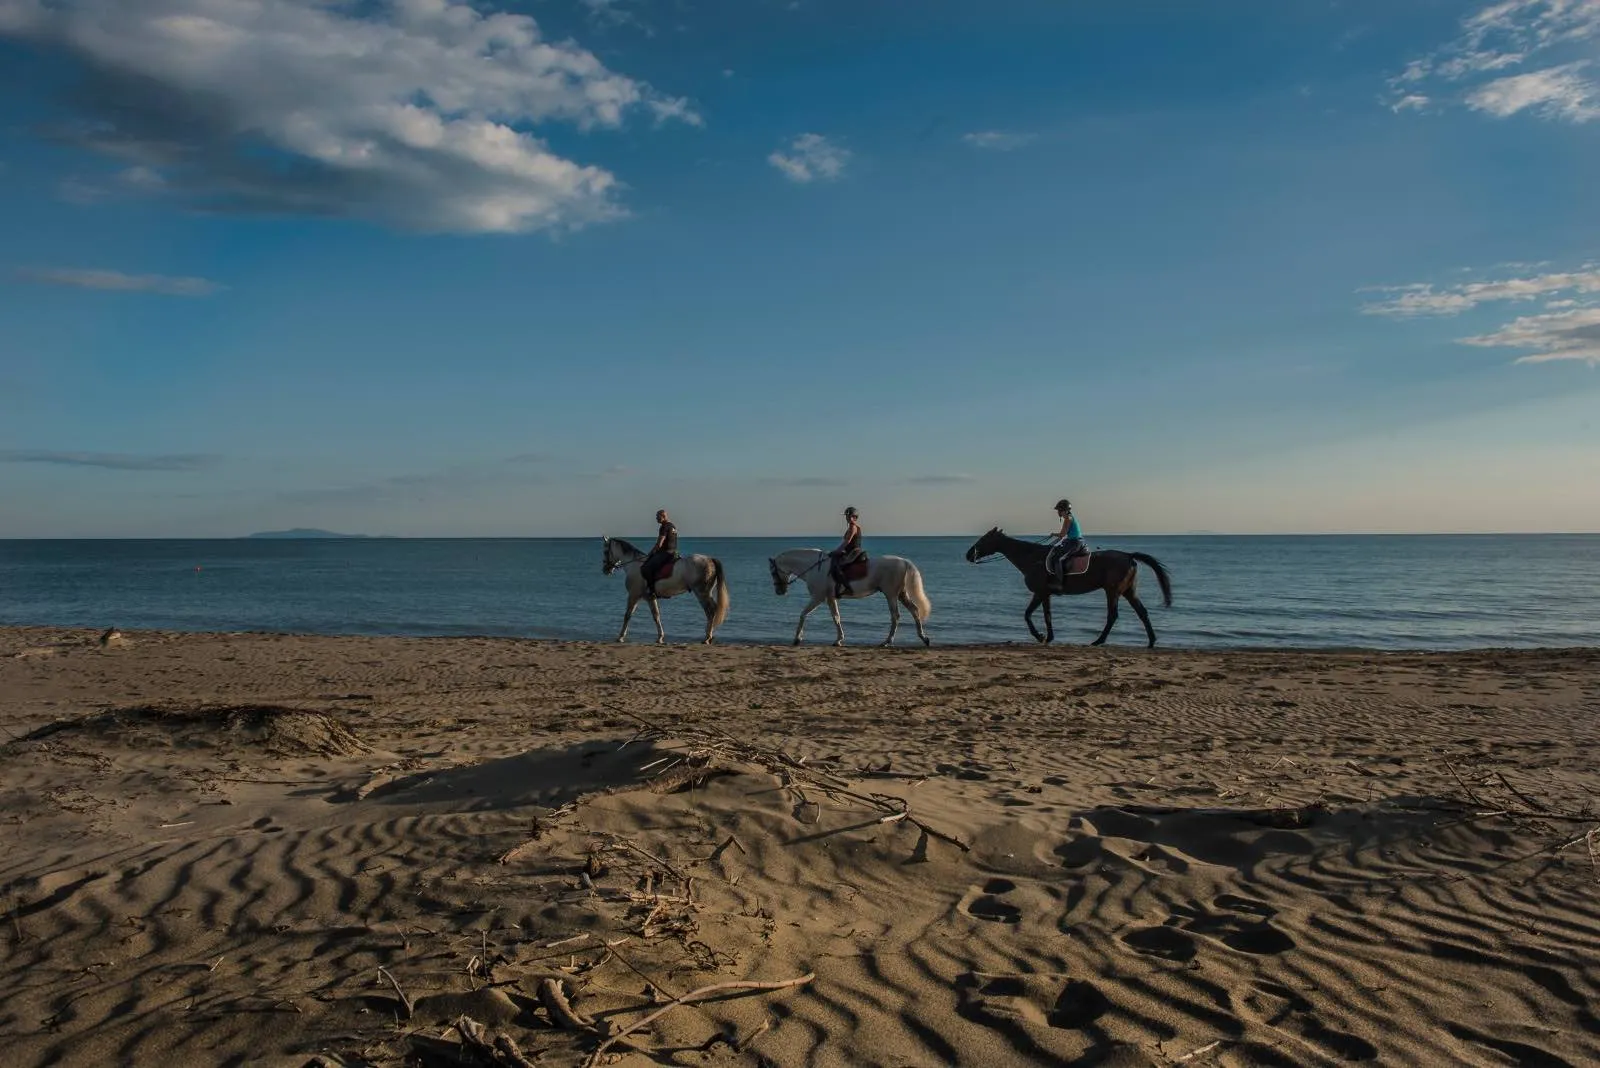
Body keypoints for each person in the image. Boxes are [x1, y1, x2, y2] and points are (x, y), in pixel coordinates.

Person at [641, 508, 678, 599]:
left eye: (657, 517)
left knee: (646, 568)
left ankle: (653, 592)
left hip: (666, 553)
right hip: (674, 552)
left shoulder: (664, 527)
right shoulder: (672, 526)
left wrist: (650, 553)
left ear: (663, 516)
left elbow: (659, 544)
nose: (656, 519)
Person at [829, 506, 863, 598]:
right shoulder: (852, 527)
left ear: (855, 517)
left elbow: (847, 541)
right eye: (847, 516)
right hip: (850, 551)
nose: (847, 518)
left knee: (839, 566)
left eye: (849, 516)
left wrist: (837, 551)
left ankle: (848, 588)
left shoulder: (853, 527)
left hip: (853, 552)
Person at [1045, 498, 1085, 576]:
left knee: (1057, 558)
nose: (1058, 512)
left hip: (1074, 543)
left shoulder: (1068, 519)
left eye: (1059, 510)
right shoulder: (1069, 517)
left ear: (1063, 510)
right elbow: (1064, 535)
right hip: (1072, 541)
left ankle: (1059, 582)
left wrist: (1053, 534)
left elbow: (1062, 535)